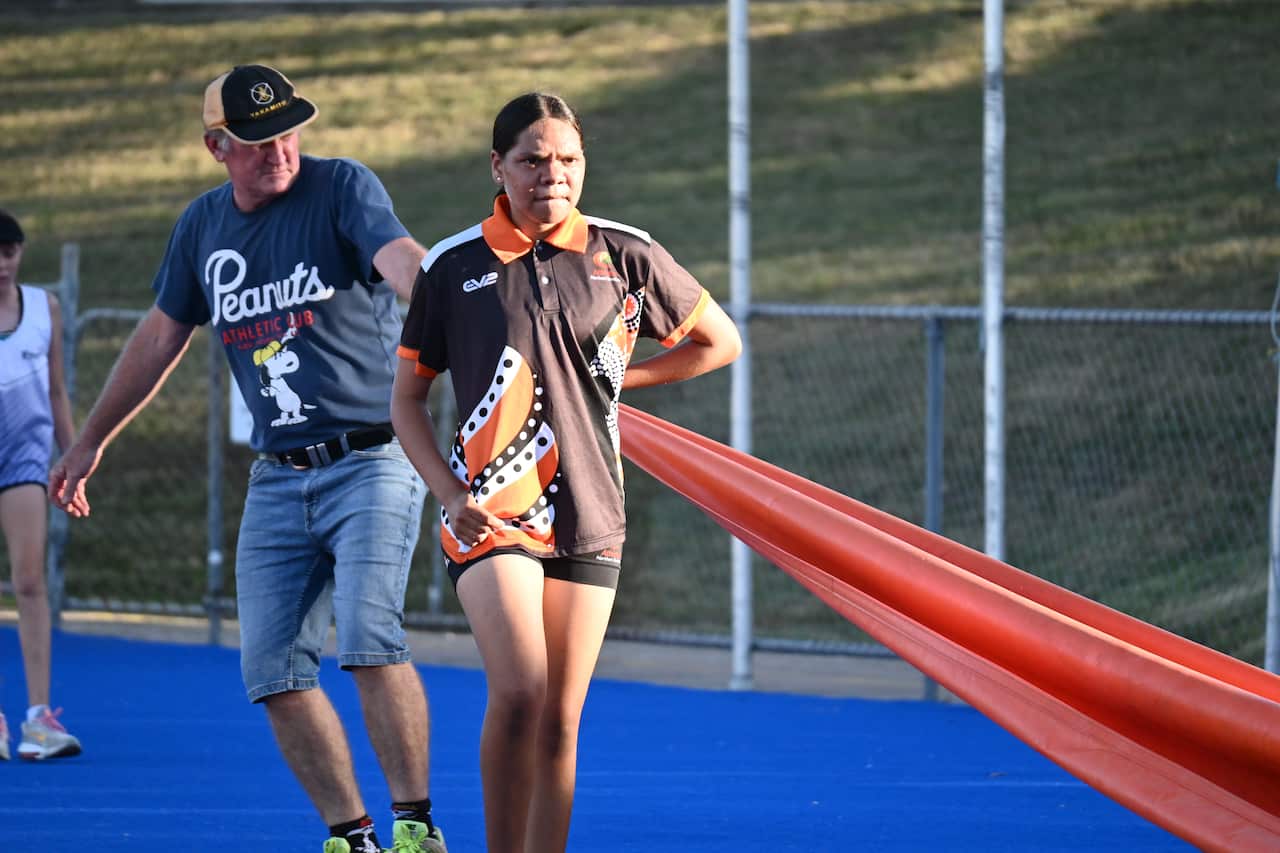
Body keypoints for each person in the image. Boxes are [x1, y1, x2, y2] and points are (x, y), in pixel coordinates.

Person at [48, 65, 446, 853]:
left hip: (372, 458)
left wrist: (446, 299)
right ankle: (352, 834)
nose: (280, 151)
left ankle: (415, 826)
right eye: (259, 142)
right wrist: (89, 439)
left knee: (369, 638)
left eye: (289, 130)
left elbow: (402, 259)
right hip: (277, 477)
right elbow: (159, 338)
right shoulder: (202, 227)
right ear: (216, 147)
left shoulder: (341, 187)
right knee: (273, 672)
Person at [390, 92, 742, 853]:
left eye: (568, 160)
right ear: (499, 166)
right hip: (490, 511)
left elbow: (719, 341)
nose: (553, 174)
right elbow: (407, 400)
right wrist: (450, 497)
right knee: (519, 690)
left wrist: (623, 381)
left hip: (593, 508)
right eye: (533, 160)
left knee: (560, 717)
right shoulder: (452, 266)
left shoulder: (624, 253)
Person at [0, 209, 83, 762]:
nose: (1, 264)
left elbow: (55, 392)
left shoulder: (43, 309)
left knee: (30, 581)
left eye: (8, 252)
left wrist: (75, 457)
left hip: (24, 461)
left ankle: (38, 718)